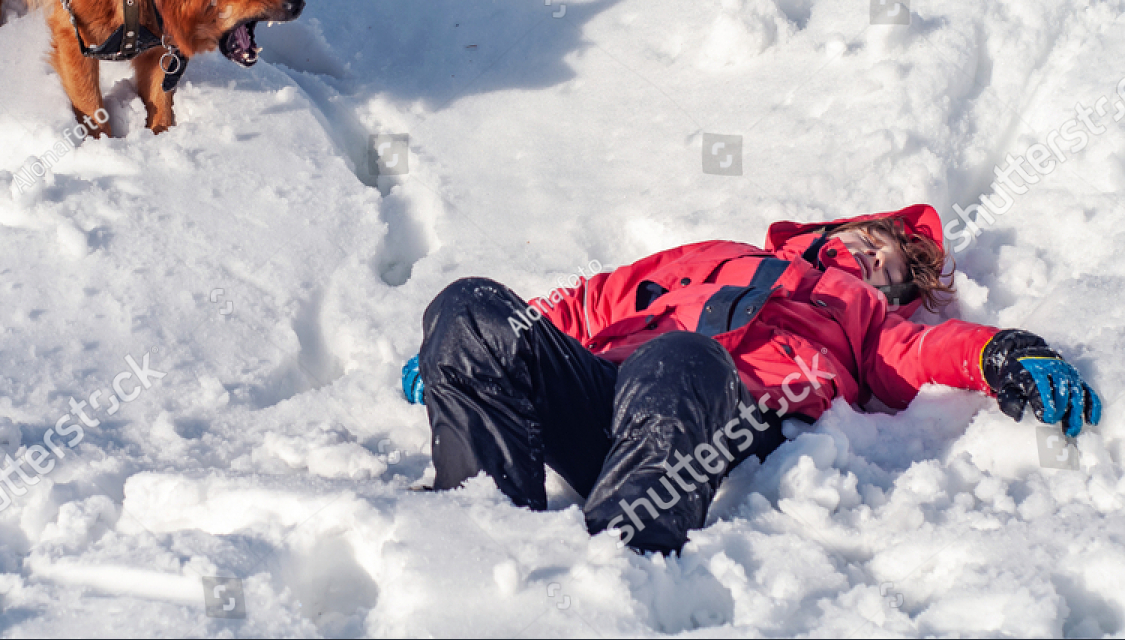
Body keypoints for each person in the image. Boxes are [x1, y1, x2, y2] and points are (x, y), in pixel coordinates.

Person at [399, 205, 1102, 554]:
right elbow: (589, 301)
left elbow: (929, 352)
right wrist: (465, 348)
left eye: (888, 266)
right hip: (606, 395)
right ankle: (470, 543)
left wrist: (1006, 351)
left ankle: (610, 582)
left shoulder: (861, 318)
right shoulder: (717, 253)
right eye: (874, 237)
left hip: (714, 417)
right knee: (469, 305)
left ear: (891, 294)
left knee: (682, 358)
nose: (873, 255)